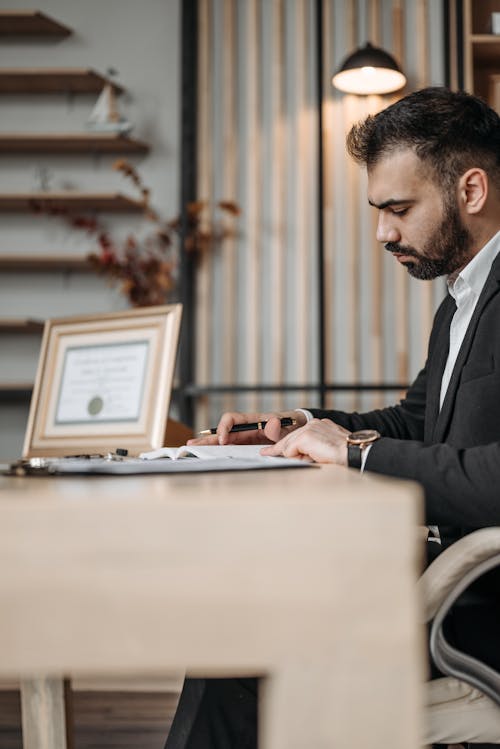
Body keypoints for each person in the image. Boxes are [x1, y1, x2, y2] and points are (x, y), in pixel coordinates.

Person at [165, 87, 500, 749]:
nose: (383, 233)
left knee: (237, 652)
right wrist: (299, 425)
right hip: (441, 584)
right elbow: (414, 419)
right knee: (232, 633)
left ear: (471, 190)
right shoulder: (460, 300)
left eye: (398, 209)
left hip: (475, 617)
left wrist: (355, 454)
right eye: (378, 212)